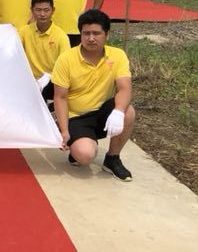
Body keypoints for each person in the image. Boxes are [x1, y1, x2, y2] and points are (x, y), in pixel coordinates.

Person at [52, 9, 135, 182]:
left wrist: (118, 112)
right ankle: (78, 146)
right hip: (76, 117)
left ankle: (112, 158)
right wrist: (64, 131)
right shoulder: (66, 59)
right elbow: (60, 97)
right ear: (80, 34)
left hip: (102, 111)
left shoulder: (117, 55)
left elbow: (124, 88)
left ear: (106, 35)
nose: (91, 38)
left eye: (96, 33)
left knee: (128, 111)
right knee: (85, 155)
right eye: (86, 33)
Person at [18, 0, 71, 102]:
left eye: (46, 10)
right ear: (32, 10)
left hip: (52, 81)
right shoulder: (23, 32)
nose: (42, 14)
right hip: (28, 80)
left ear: (53, 10)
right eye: (38, 10)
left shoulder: (61, 36)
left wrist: (48, 78)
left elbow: (66, 65)